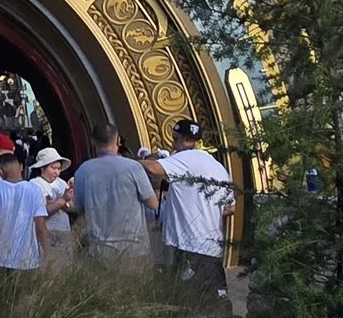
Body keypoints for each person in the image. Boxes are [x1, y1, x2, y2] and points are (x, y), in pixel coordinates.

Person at [155, 119, 232, 294]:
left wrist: (136, 163)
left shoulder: (185, 157)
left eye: (175, 139)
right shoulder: (218, 166)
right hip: (211, 248)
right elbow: (229, 208)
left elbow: (153, 169)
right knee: (214, 296)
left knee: (186, 300)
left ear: (188, 141)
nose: (173, 144)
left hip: (189, 247)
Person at [71, 124, 156, 259]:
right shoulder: (134, 167)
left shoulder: (83, 170)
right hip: (134, 247)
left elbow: (78, 208)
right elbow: (152, 203)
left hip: (100, 249)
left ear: (92, 142)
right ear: (118, 141)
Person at [0, 150, 48, 272]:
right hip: (27, 260)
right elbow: (41, 227)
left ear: (0, 172)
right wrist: (47, 252)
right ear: (21, 167)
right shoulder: (35, 191)